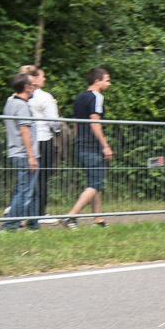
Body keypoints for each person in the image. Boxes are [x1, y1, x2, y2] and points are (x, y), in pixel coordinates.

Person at [62, 67, 113, 229]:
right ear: (97, 81)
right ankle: (71, 216)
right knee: (96, 184)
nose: (109, 84)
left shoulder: (79, 97)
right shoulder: (96, 97)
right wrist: (105, 146)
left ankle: (97, 220)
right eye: (107, 80)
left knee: (94, 183)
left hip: (81, 146)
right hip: (92, 147)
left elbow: (76, 123)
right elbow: (95, 122)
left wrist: (78, 141)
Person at [0, 74, 40, 232]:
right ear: (26, 87)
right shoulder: (22, 106)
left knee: (31, 190)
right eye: (32, 85)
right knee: (23, 192)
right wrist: (31, 156)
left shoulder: (10, 103)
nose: (34, 88)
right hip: (24, 154)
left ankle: (33, 224)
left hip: (16, 152)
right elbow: (24, 132)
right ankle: (8, 227)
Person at [19, 65, 60, 221]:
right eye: (42, 76)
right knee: (42, 178)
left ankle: (22, 211)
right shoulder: (44, 97)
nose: (44, 79)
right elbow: (53, 122)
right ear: (34, 78)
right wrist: (57, 130)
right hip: (43, 140)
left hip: (26, 141)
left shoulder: (19, 96)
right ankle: (40, 213)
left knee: (26, 178)